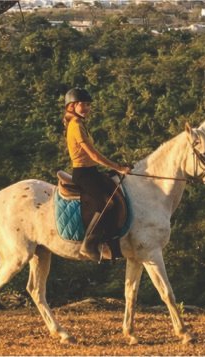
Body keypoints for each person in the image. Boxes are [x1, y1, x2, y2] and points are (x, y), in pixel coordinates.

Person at [62, 88, 131, 261]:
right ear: (72, 106)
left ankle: (113, 244)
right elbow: (93, 155)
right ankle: (89, 243)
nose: (86, 108)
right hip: (83, 174)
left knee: (115, 191)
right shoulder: (75, 126)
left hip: (92, 171)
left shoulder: (81, 123)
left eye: (88, 105)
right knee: (106, 203)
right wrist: (118, 167)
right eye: (82, 104)